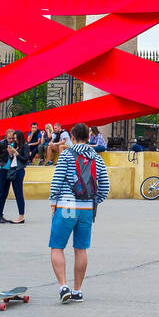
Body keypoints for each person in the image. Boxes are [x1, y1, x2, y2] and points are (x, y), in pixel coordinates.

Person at [49, 123, 110, 303]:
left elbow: (57, 181)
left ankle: (63, 286)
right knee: (80, 248)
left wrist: (53, 203)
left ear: (73, 137)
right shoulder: (97, 158)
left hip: (66, 206)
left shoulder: (66, 154)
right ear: (88, 137)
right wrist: (93, 201)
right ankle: (77, 290)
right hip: (86, 209)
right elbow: (104, 187)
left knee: (57, 246)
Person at [0, 128, 26, 224]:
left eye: (13, 138)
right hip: (1, 171)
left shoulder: (15, 145)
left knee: (4, 194)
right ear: (6, 137)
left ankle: (0, 215)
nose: (11, 140)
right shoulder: (1, 144)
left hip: (8, 172)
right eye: (9, 138)